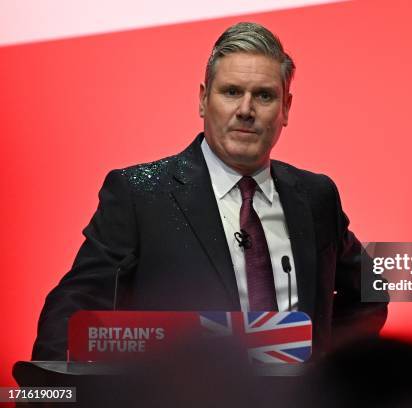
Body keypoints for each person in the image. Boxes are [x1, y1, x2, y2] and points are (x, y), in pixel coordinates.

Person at [32, 22, 387, 361]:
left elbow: (369, 291)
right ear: (203, 100)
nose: (245, 110)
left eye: (264, 96)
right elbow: (75, 307)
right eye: (231, 92)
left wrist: (325, 368)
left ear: (286, 109)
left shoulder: (315, 196)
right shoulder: (140, 196)